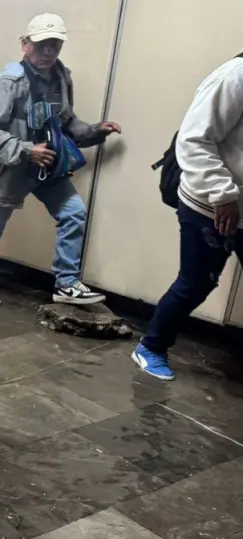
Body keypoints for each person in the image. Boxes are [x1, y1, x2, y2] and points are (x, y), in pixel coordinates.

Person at [0, 13, 122, 307]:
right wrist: (25, 149)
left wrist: (96, 131)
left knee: (73, 212)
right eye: (42, 44)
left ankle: (66, 283)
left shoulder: (61, 77)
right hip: (10, 168)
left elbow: (66, 121)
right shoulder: (10, 81)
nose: (48, 52)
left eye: (55, 45)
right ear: (25, 44)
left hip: (48, 165)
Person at [132, 54, 243, 381]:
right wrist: (222, 194)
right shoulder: (235, 76)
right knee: (196, 283)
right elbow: (194, 139)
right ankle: (151, 347)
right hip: (209, 204)